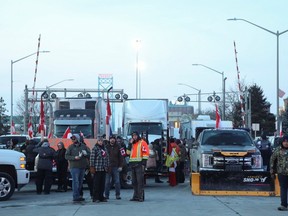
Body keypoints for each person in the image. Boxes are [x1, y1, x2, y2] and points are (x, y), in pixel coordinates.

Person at [65, 134, 91, 202]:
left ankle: (79, 195)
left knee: (80, 182)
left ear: (78, 139)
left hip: (82, 166)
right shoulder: (70, 147)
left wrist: (86, 154)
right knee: (75, 182)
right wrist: (74, 157)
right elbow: (66, 156)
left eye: (74, 138)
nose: (73, 140)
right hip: (74, 167)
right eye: (72, 139)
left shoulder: (84, 146)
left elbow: (90, 154)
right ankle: (75, 196)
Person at [126, 131, 149, 202]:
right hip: (132, 164)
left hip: (139, 164)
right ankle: (135, 196)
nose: (134, 137)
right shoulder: (132, 144)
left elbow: (146, 153)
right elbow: (128, 153)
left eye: (135, 136)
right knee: (134, 182)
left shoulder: (142, 143)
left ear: (138, 136)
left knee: (140, 182)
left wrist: (143, 164)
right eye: (133, 136)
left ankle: (140, 196)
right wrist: (130, 144)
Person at [270, 135, 288, 211]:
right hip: (282, 173)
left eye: (287, 141)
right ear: (282, 142)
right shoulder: (277, 150)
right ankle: (284, 205)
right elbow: (272, 161)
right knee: (283, 189)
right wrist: (272, 172)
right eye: (285, 141)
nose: (286, 143)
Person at [90, 137, 110, 203]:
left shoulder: (105, 149)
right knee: (96, 184)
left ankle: (101, 196)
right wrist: (92, 167)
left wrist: (108, 166)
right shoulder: (95, 148)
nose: (100, 142)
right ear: (97, 141)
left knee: (102, 184)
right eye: (99, 141)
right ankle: (95, 197)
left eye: (101, 141)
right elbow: (92, 158)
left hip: (103, 168)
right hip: (97, 169)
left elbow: (107, 158)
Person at [104, 135, 123, 200]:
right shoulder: (106, 147)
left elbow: (121, 157)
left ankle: (117, 195)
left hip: (116, 167)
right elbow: (104, 157)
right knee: (107, 182)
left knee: (117, 182)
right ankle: (106, 195)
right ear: (109, 140)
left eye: (113, 139)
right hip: (108, 167)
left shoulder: (119, 147)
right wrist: (105, 166)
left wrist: (120, 166)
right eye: (111, 139)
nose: (112, 140)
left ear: (115, 140)